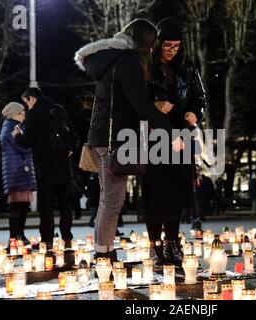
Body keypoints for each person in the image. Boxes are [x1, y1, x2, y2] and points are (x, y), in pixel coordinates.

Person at [74, 18, 183, 262]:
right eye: (153, 44)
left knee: (108, 198)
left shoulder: (110, 59)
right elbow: (141, 105)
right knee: (113, 199)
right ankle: (103, 254)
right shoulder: (127, 61)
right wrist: (170, 132)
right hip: (115, 139)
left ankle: (105, 250)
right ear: (146, 42)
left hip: (102, 135)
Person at [142, 17, 207, 266]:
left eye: (176, 46)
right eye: (167, 45)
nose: (172, 50)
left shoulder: (188, 68)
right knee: (155, 194)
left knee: (177, 194)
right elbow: (136, 101)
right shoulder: (146, 67)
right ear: (158, 44)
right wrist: (155, 106)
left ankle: (172, 243)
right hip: (154, 139)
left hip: (181, 138)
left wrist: (195, 112)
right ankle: (154, 246)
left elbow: (200, 98)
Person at [13, 88, 76, 249]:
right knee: (65, 206)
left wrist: (17, 136)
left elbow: (27, 142)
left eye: (26, 102)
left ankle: (47, 240)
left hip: (45, 167)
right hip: (63, 165)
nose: (26, 106)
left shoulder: (33, 115)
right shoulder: (58, 109)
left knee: (46, 207)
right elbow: (72, 133)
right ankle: (67, 238)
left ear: (32, 98)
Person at [0, 102, 36, 244]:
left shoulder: (17, 127)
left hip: (20, 171)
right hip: (15, 172)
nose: (24, 115)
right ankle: (14, 237)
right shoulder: (10, 128)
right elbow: (23, 147)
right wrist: (31, 144)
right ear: (14, 114)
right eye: (21, 113)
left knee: (22, 206)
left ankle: (20, 235)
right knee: (17, 207)